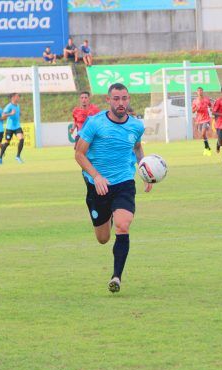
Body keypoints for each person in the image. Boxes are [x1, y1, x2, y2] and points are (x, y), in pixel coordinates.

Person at [74, 83, 152, 293]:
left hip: (124, 182)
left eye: (124, 98)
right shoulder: (94, 123)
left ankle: (116, 277)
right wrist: (96, 176)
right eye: (116, 99)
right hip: (96, 185)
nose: (121, 103)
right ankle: (107, 216)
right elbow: (79, 154)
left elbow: (136, 147)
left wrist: (144, 170)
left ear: (129, 99)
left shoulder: (136, 126)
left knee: (123, 225)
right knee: (103, 238)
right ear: (108, 100)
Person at [0, 93, 25, 164]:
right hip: (9, 128)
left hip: (17, 126)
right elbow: (3, 115)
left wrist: (19, 114)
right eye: (17, 96)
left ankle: (18, 156)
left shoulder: (18, 105)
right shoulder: (9, 106)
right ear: (13, 98)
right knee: (7, 143)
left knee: (21, 139)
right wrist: (10, 114)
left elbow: (17, 113)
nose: (18, 97)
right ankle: (0, 156)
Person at [192, 87, 212, 156]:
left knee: (203, 133)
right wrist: (196, 109)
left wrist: (212, 108)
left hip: (206, 119)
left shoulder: (207, 99)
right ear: (197, 92)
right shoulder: (195, 101)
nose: (200, 92)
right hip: (199, 120)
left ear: (203, 91)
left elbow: (210, 105)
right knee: (203, 135)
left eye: (201, 90)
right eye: (198, 91)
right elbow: (192, 110)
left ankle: (207, 148)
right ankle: (207, 148)